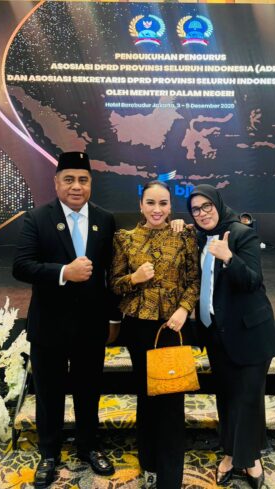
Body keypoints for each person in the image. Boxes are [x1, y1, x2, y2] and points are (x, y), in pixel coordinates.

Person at [13, 151, 120, 488]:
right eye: (69, 179)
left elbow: (112, 273)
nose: (76, 186)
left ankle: (89, 447)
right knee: (49, 393)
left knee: (89, 391)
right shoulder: (37, 218)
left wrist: (113, 319)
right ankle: (49, 453)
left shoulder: (105, 219)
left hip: (91, 326)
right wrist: (63, 272)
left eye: (83, 180)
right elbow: (21, 266)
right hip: (49, 326)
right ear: (56, 182)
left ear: (91, 183)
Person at [187, 185, 275, 489]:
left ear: (218, 204)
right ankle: (230, 454)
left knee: (247, 398)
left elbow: (253, 281)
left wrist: (229, 257)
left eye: (207, 206)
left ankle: (249, 460)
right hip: (218, 333)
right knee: (227, 397)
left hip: (250, 333)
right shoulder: (199, 237)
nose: (202, 213)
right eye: (196, 209)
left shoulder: (241, 234)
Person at [110, 181, 200, 489]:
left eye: (163, 203)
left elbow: (194, 279)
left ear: (170, 206)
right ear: (140, 205)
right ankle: (148, 462)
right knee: (146, 397)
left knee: (172, 402)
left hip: (173, 327)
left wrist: (184, 309)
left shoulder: (184, 235)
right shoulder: (125, 239)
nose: (157, 209)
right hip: (139, 327)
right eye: (151, 202)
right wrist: (134, 278)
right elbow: (114, 284)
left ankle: (170, 478)